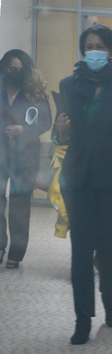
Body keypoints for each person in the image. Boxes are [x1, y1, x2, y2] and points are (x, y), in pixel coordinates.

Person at [53, 24, 112, 344]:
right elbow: (61, 134)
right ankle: (82, 318)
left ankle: (110, 299)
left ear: (111, 51)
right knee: (81, 250)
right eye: (89, 46)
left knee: (109, 248)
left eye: (100, 46)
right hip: (79, 178)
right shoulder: (69, 84)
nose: (94, 51)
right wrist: (60, 130)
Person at [0, 49, 52, 269]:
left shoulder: (34, 91)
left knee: (20, 206)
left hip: (25, 156)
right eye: (12, 69)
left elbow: (46, 122)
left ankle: (16, 254)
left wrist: (25, 130)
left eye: (21, 70)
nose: (16, 73)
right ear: (4, 68)